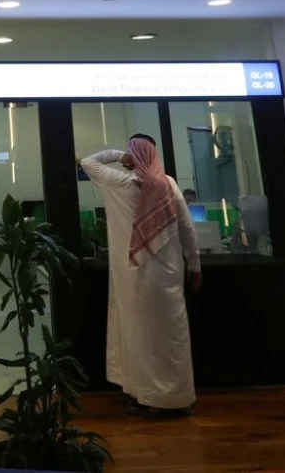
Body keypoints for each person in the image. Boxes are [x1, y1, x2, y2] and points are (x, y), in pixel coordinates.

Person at [81, 135, 201, 417]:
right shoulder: (168, 184)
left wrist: (117, 154)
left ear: (132, 156)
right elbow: (187, 227)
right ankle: (180, 398)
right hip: (170, 278)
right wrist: (195, 264)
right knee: (173, 338)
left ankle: (150, 399)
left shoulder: (120, 183)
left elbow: (87, 162)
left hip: (135, 277)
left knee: (142, 339)